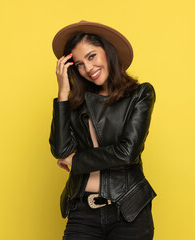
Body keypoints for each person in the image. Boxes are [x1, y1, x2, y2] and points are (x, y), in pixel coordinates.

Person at [49, 20, 157, 240]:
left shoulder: (140, 95)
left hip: (129, 210)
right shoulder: (77, 103)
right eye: (79, 64)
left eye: (92, 56)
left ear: (108, 52)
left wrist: (76, 161)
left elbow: (127, 152)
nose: (88, 68)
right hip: (82, 212)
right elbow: (61, 151)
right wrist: (63, 93)